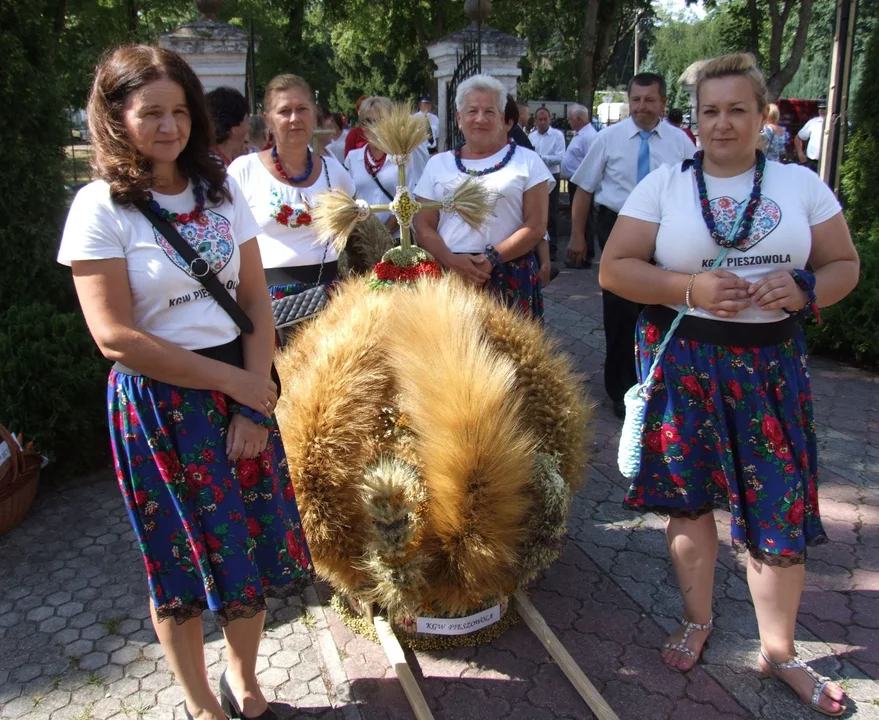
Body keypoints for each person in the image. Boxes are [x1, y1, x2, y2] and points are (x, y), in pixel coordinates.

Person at [58, 45, 315, 720]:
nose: (169, 127)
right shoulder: (99, 207)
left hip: (241, 386)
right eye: (151, 113)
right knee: (176, 565)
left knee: (248, 547)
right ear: (116, 118)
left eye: (180, 111)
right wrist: (230, 383)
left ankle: (245, 678)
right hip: (158, 404)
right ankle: (202, 705)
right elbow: (114, 336)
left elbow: (257, 303)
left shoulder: (223, 189)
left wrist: (253, 402)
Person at [600, 53, 858, 717]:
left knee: (777, 508)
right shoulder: (662, 185)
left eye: (736, 109)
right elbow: (614, 269)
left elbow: (842, 266)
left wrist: (804, 290)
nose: (722, 124)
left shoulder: (801, 187)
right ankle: (697, 618)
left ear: (761, 116)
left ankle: (778, 650)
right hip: (684, 364)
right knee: (688, 504)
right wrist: (687, 287)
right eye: (709, 111)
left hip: (769, 370)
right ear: (695, 120)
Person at [567, 72, 695, 418]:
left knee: (665, 309)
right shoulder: (609, 138)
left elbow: (698, 188)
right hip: (619, 226)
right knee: (621, 312)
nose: (641, 106)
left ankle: (660, 386)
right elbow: (584, 189)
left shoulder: (681, 143)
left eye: (649, 99)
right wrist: (578, 235)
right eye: (635, 99)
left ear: (663, 103)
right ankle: (622, 391)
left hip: (667, 229)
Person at [414, 74, 553, 318]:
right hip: (451, 275)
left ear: (502, 118)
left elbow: (536, 225)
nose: (480, 119)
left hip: (510, 274)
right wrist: (450, 260)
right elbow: (423, 224)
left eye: (489, 111)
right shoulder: (437, 164)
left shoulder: (528, 161)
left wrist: (492, 257)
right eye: (472, 111)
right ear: (459, 118)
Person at [228, 74, 355, 309]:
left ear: (314, 115)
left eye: (302, 109)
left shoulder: (335, 173)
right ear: (268, 120)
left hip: (330, 303)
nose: (294, 118)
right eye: (284, 111)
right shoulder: (243, 171)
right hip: (266, 303)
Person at [345, 96, 428, 239]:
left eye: (379, 121)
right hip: (361, 240)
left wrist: (384, 234)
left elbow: (413, 196)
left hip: (398, 238)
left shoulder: (405, 155)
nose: (372, 127)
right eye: (367, 121)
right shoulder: (353, 158)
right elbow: (347, 198)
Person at [561, 104, 598, 270]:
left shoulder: (589, 136)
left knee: (584, 219)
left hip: (583, 184)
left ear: (579, 119)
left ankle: (584, 256)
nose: (569, 122)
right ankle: (579, 255)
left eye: (570, 119)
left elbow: (592, 163)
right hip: (575, 182)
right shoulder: (580, 134)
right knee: (578, 218)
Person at [529, 108, 565, 261]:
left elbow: (559, 157)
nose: (542, 122)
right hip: (536, 177)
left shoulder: (557, 135)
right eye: (539, 119)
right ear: (535, 120)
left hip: (552, 175)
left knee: (551, 213)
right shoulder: (531, 137)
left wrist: (540, 158)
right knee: (536, 212)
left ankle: (553, 248)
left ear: (550, 119)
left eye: (545, 119)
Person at [206, 86, 250, 166]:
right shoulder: (215, 166)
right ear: (233, 125)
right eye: (246, 120)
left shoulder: (217, 160)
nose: (248, 128)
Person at [796, 99, 826, 171]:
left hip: (827, 163)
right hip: (812, 162)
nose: (821, 110)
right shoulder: (813, 122)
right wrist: (800, 153)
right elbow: (798, 137)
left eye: (824, 108)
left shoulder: (833, 124)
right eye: (820, 108)